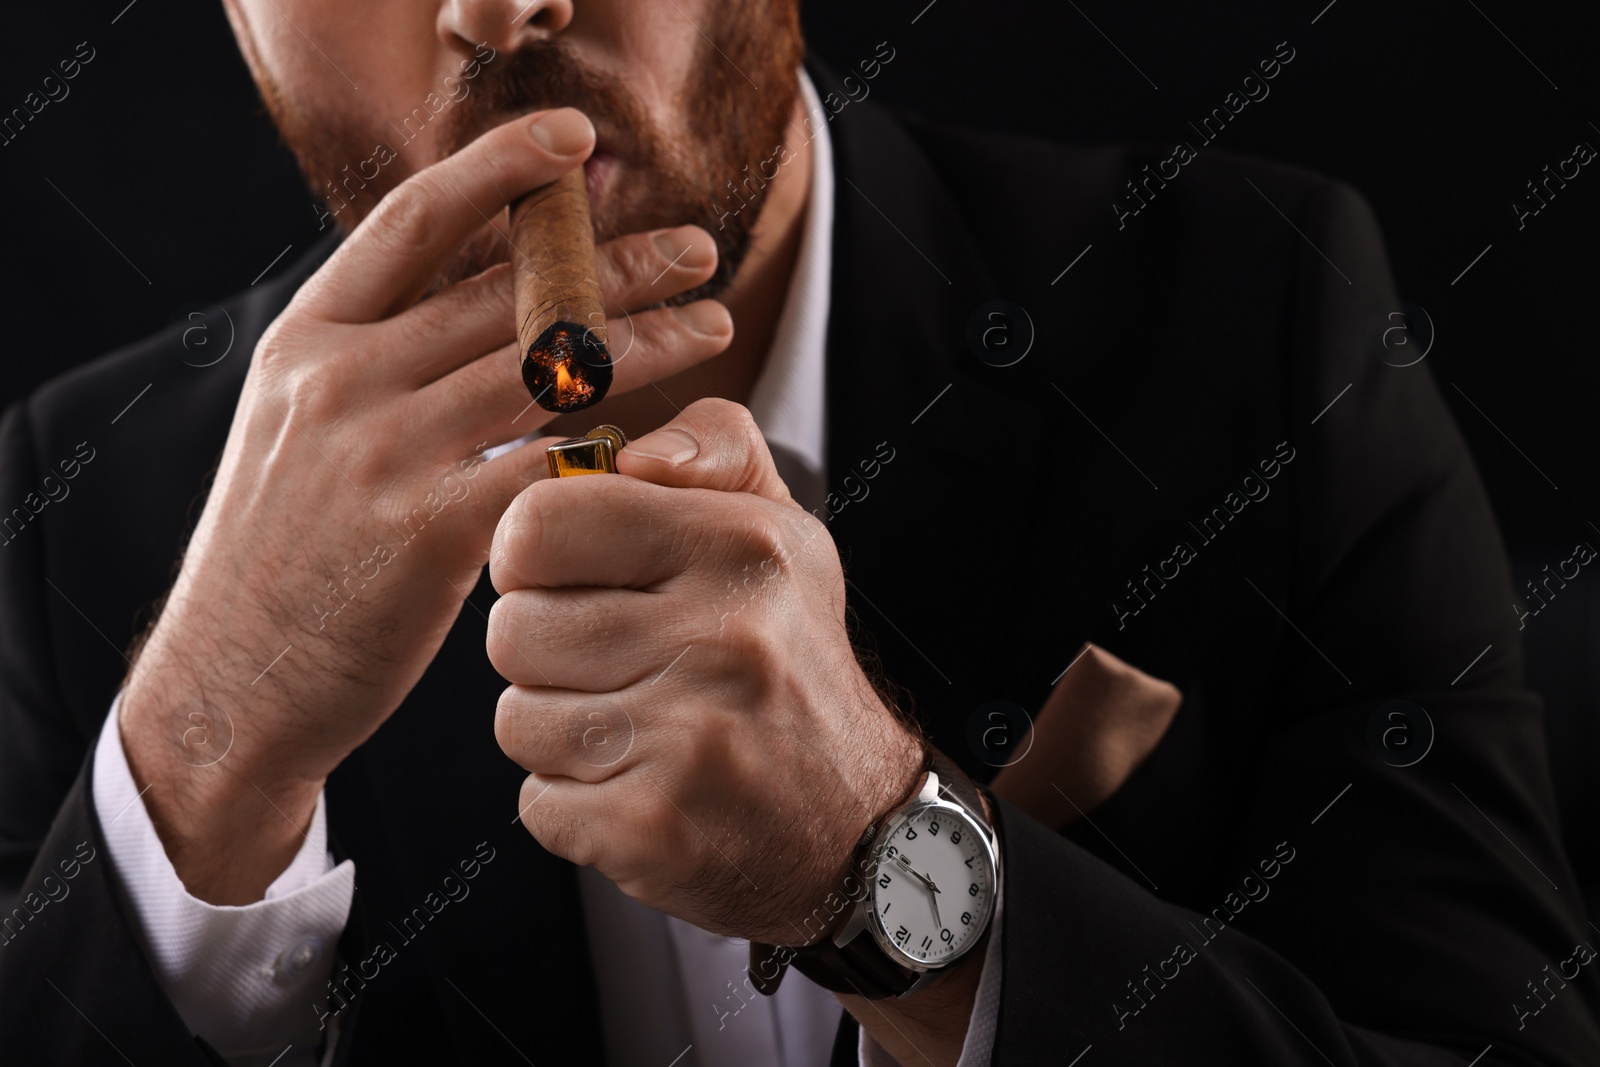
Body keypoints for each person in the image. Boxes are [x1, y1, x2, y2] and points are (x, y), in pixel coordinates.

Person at [2, 1, 1597, 1064]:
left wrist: (892, 878)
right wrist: (199, 763)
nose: (497, 9)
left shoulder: (1262, 318)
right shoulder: (70, 504)